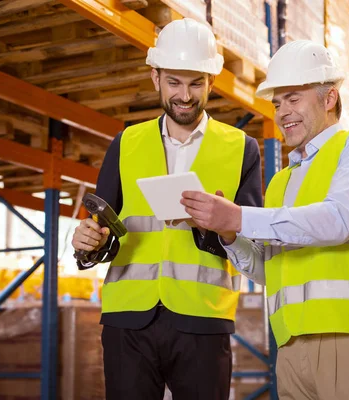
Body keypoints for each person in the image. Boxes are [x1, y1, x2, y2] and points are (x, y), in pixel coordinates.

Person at [180, 39, 349, 400]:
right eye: (277, 103)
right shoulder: (281, 181)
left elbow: (337, 221)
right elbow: (272, 270)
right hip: (290, 345)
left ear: (329, 98)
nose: (283, 113)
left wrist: (240, 216)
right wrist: (229, 233)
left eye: (294, 99)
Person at [70, 18, 262, 400]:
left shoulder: (242, 149)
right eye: (174, 82)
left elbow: (253, 251)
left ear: (211, 82)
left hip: (203, 320)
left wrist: (219, 226)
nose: (185, 96)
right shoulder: (126, 143)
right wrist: (86, 243)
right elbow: (104, 233)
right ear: (155, 78)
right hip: (129, 322)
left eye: (195, 84)